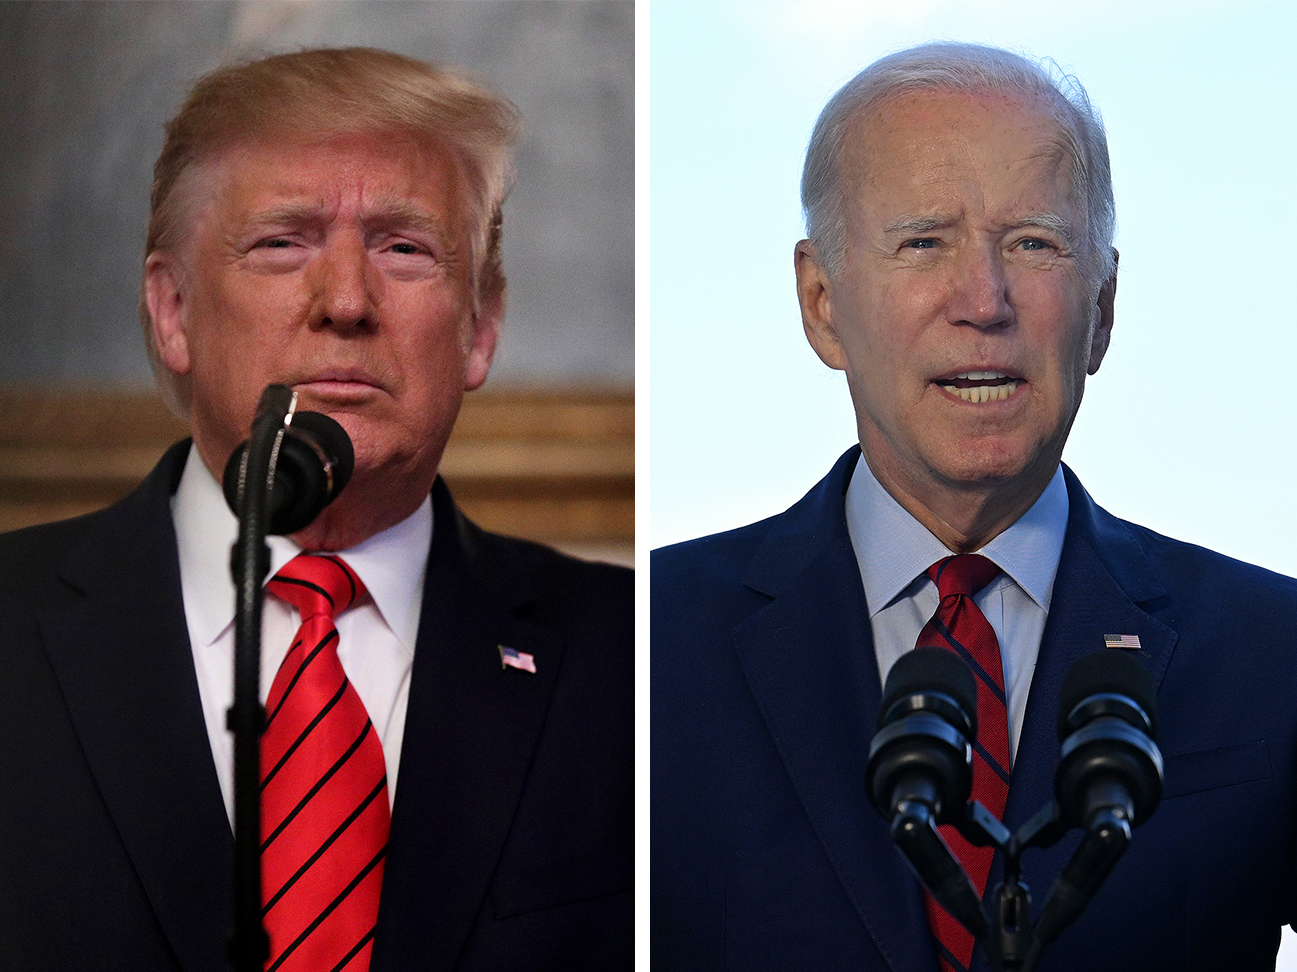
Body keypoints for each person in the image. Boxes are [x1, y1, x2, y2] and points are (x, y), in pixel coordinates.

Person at [652, 42, 1297, 972]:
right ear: (821, 301)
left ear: (1103, 307)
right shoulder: (657, 644)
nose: (983, 300)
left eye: (1033, 243)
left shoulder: (1271, 653)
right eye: (924, 242)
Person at [0, 48, 631, 971]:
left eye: (404, 249)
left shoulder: (631, 659)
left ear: (480, 328)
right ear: (173, 311)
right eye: (281, 243)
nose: (344, 301)